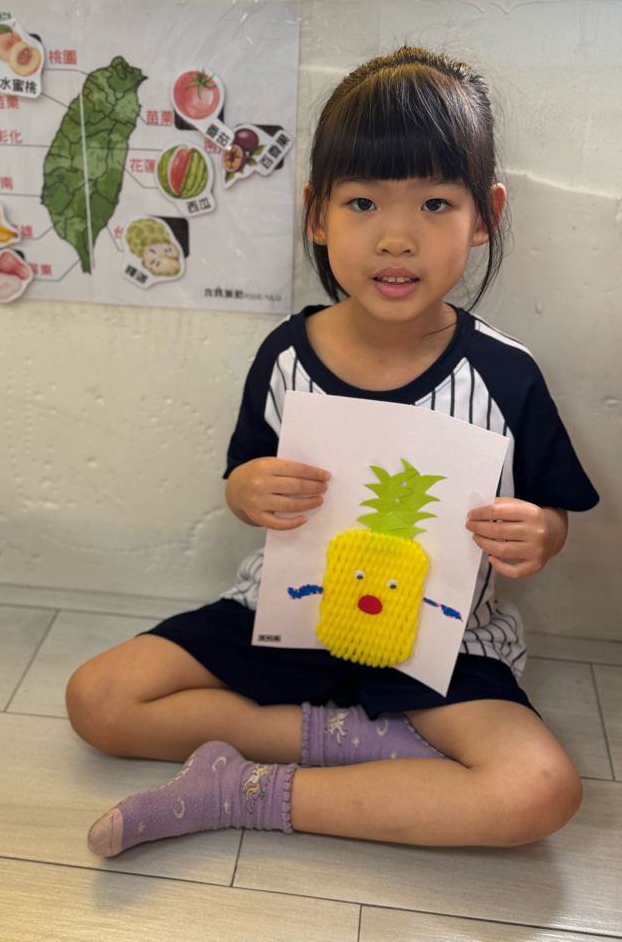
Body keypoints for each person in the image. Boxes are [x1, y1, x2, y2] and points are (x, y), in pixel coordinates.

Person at [66, 46, 599, 856]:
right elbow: (242, 477)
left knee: (540, 789)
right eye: (362, 203)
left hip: (441, 642)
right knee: (98, 699)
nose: (397, 238)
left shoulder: (506, 374)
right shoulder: (287, 353)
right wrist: (250, 490)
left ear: (484, 216)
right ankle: (368, 747)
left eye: (434, 204)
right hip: (286, 612)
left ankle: (244, 790)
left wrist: (539, 534)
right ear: (316, 212)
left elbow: (552, 514)